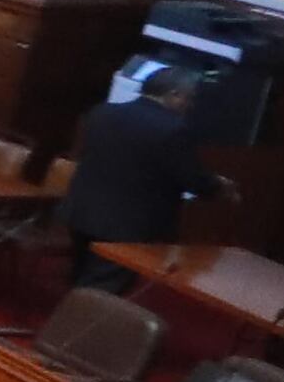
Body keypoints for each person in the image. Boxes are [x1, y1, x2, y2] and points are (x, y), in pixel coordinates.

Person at [60, 69, 221, 288]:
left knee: (80, 278)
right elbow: (192, 179)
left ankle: (68, 318)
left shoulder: (102, 112)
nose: (190, 105)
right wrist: (219, 186)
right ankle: (76, 321)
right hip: (127, 226)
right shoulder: (174, 130)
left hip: (81, 212)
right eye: (189, 98)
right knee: (102, 292)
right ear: (174, 94)